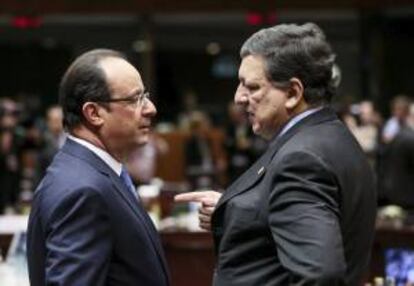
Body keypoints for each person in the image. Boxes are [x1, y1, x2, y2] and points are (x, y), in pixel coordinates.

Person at [176, 23, 376, 285]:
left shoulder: (302, 159)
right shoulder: (331, 135)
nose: (239, 98)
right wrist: (236, 208)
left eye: (252, 87)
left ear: (293, 93)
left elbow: (319, 277)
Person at [27, 49, 170, 286]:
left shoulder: (92, 173)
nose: (151, 108)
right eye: (134, 99)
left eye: (145, 95)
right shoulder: (82, 190)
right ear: (93, 113)